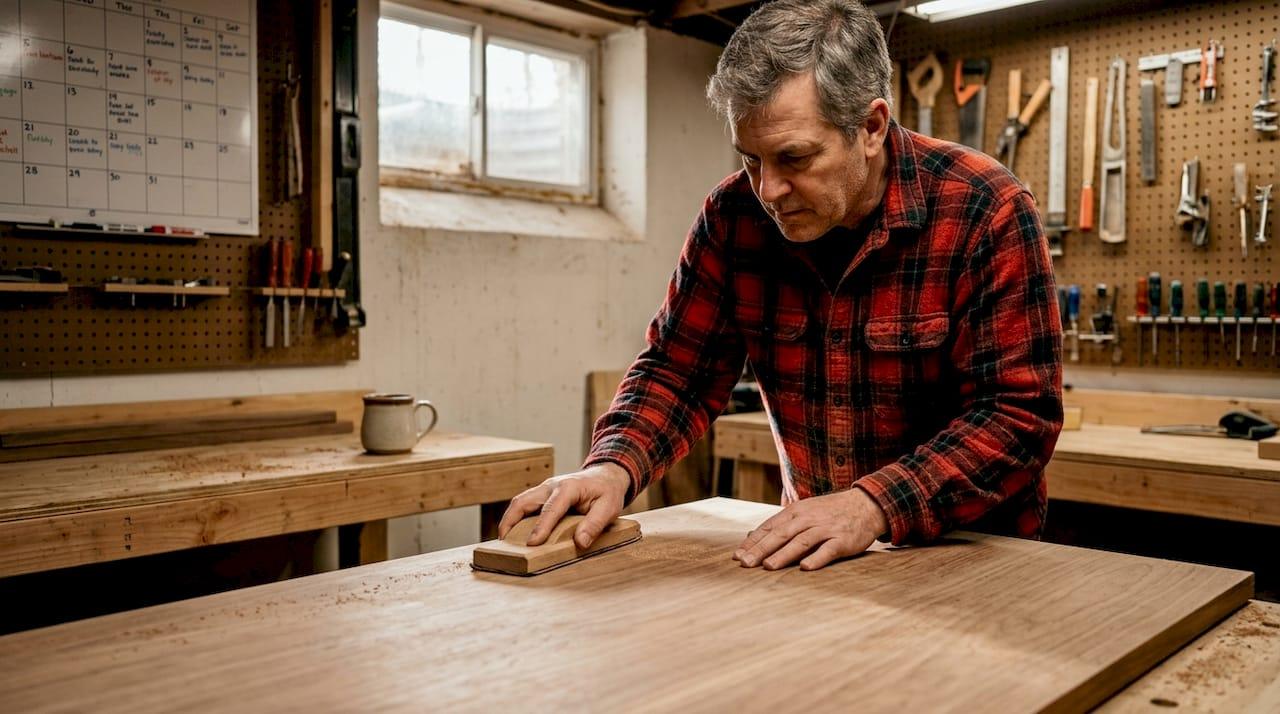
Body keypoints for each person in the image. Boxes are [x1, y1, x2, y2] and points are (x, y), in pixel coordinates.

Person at [498, 0, 1063, 571]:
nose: (768, 190)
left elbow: (1018, 417)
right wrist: (612, 466)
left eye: (793, 157)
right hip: (819, 558)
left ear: (870, 127)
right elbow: (678, 371)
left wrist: (871, 506)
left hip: (975, 558)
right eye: (750, 159)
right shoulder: (734, 216)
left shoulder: (985, 210)